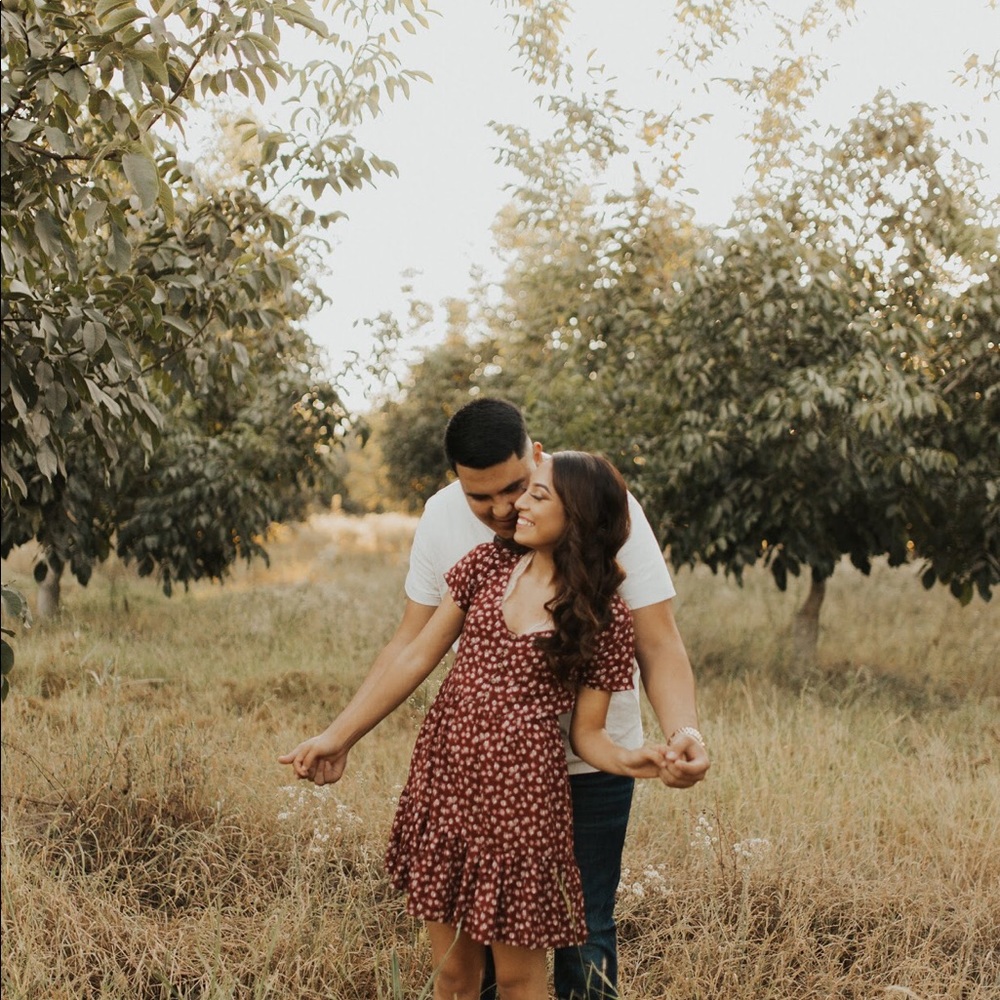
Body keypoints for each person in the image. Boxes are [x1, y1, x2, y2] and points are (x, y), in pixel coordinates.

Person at [281, 398, 709, 999]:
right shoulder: (467, 544)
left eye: (518, 489)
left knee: (583, 937)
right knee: (466, 962)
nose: (503, 510)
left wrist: (683, 735)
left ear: (536, 459)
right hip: (466, 776)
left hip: (582, 769)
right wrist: (339, 734)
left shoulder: (599, 503)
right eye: (480, 498)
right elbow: (413, 645)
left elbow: (660, 646)